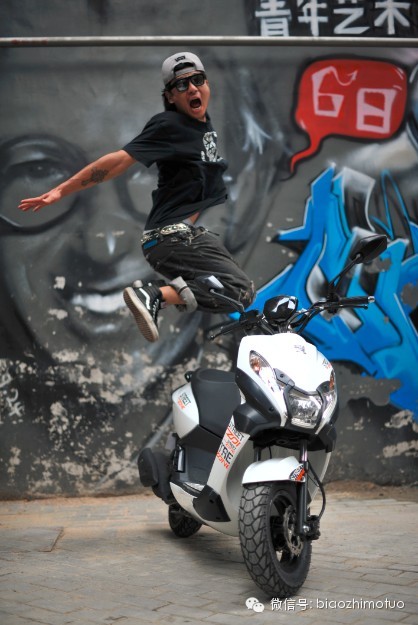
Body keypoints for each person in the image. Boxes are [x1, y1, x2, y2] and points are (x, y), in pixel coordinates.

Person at [18, 51, 255, 343]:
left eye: (198, 80)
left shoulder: (203, 129)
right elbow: (118, 161)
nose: (192, 88)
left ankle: (159, 296)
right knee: (238, 288)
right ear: (170, 97)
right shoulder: (169, 126)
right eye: (182, 85)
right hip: (171, 237)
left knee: (238, 294)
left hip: (179, 237)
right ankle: (153, 294)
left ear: (207, 84)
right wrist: (61, 190)